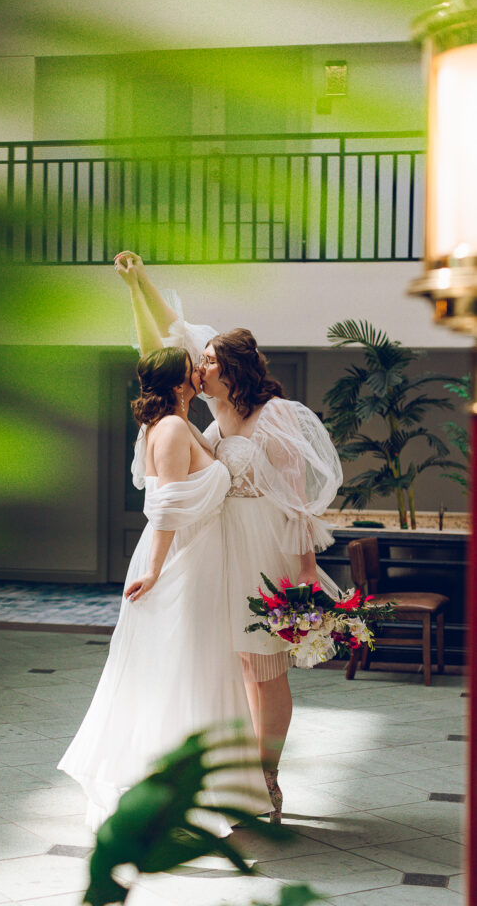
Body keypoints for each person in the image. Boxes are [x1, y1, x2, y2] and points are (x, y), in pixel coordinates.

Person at [114, 251, 343, 824]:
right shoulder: (211, 410)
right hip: (218, 546)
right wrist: (137, 282)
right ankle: (240, 773)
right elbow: (167, 337)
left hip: (266, 548)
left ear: (232, 369)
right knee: (236, 664)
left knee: (265, 668)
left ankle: (268, 775)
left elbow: (294, 500)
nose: (200, 364)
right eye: (202, 359)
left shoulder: (276, 416)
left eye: (210, 360)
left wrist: (306, 571)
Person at [58, 345, 268, 833]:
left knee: (196, 666)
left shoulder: (179, 423)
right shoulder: (171, 428)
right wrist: (154, 571)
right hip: (180, 562)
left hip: (199, 559)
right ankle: (175, 792)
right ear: (178, 384)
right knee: (183, 668)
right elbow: (168, 506)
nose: (200, 372)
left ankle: (200, 786)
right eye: (193, 369)